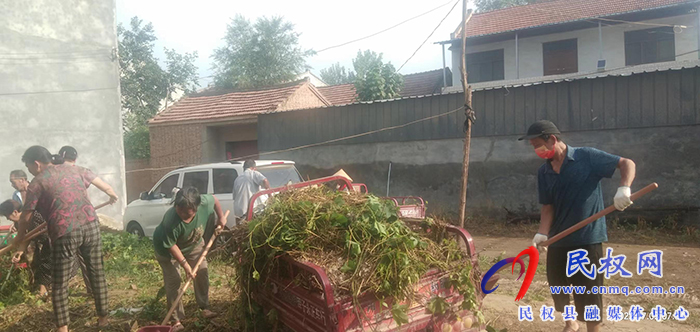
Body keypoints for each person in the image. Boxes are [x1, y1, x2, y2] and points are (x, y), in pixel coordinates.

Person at [521, 120, 635, 332]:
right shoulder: (543, 172)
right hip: (557, 239)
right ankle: (570, 323)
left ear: (553, 139)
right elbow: (547, 206)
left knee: (590, 293)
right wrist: (541, 233)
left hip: (587, 239)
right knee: (558, 287)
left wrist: (624, 188)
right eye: (534, 147)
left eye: (538, 145)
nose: (536, 150)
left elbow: (626, 163)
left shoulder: (586, 157)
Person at [12, 146, 115, 332]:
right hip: (90, 225)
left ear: (36, 163)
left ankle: (63, 329)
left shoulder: (37, 183)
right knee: (96, 272)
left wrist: (19, 240)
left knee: (59, 283)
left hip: (64, 230)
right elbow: (104, 185)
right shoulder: (76, 169)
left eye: (28, 167)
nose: (29, 171)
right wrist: (112, 194)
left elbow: (25, 219)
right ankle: (103, 320)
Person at [152, 187, 226, 332]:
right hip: (167, 250)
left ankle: (204, 308)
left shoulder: (204, 202)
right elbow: (171, 246)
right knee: (175, 280)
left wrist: (221, 217)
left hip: (193, 244)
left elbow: (215, 199)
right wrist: (187, 267)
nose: (182, 214)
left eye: (186, 212)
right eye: (179, 210)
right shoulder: (170, 220)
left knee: (202, 272)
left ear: (196, 207)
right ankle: (176, 320)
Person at [52, 145, 117, 296]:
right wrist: (112, 195)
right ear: (75, 158)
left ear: (61, 157)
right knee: (91, 261)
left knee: (62, 264)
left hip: (64, 225)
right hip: (86, 222)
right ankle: (95, 292)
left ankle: (60, 294)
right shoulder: (82, 171)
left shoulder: (53, 173)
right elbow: (106, 187)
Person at [0, 199, 51, 297]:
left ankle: (43, 291)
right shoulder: (18, 223)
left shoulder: (34, 215)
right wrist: (19, 253)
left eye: (7, 216)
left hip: (50, 240)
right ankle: (42, 290)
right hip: (40, 244)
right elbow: (25, 238)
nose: (7, 219)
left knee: (45, 264)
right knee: (37, 263)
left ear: (15, 212)